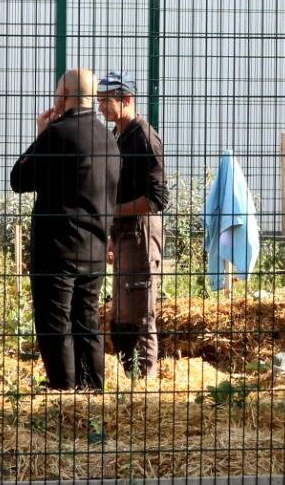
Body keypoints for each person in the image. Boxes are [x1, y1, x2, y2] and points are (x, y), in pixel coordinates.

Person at [10, 68, 120, 392]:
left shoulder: (58, 133)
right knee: (87, 321)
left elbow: (19, 179)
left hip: (58, 248)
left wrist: (42, 132)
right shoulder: (109, 139)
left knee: (55, 321)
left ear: (63, 97)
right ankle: (94, 389)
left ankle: (64, 390)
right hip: (95, 246)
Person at [98, 74, 168, 379]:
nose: (101, 107)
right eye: (99, 101)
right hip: (123, 232)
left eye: (106, 101)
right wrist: (112, 235)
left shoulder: (144, 137)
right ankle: (130, 379)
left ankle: (145, 385)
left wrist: (115, 212)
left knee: (140, 316)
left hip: (140, 232)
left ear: (126, 100)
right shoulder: (117, 135)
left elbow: (158, 198)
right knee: (121, 315)